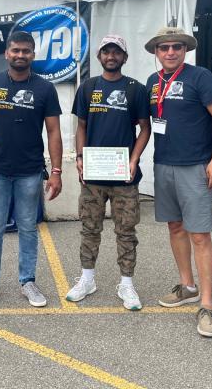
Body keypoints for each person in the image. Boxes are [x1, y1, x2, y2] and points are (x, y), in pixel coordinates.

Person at [144, 26, 212, 337]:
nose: (170, 52)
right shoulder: (153, 82)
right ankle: (187, 285)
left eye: (176, 47)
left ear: (184, 50)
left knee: (200, 235)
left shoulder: (200, 76)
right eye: (164, 47)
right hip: (164, 163)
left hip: (195, 166)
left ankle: (206, 304)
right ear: (156, 52)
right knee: (175, 227)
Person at [0, 31, 62, 308]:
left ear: (33, 54)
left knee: (27, 228)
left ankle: (28, 282)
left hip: (30, 170)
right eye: (15, 51)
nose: (20, 55)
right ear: (6, 53)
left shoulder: (45, 88)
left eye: (26, 51)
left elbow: (54, 130)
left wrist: (57, 171)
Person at [67, 35, 151, 310]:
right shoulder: (88, 88)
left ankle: (126, 284)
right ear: (99, 56)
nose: (111, 56)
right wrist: (79, 157)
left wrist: (134, 159)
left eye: (117, 52)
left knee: (126, 231)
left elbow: (144, 128)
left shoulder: (135, 89)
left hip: (123, 175)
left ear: (124, 58)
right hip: (93, 175)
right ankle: (87, 279)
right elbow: (81, 126)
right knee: (89, 228)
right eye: (106, 51)